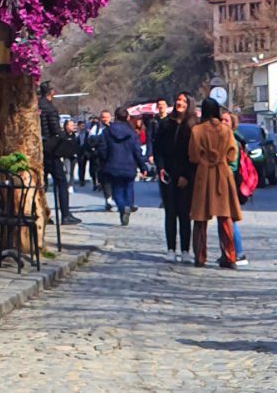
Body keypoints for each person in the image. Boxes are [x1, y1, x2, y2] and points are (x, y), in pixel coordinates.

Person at [189, 98, 241, 269]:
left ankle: (200, 257)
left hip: (204, 175)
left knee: (200, 218)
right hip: (222, 174)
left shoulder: (197, 130)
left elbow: (193, 156)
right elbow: (232, 154)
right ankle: (230, 256)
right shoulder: (226, 130)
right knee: (225, 217)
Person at [152, 92, 197, 264]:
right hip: (168, 174)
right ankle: (171, 248)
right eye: (178, 100)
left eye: (183, 101)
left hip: (186, 175)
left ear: (189, 104)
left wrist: (187, 175)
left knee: (184, 214)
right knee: (170, 212)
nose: (180, 103)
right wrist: (161, 167)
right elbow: (158, 148)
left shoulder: (193, 125)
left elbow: (194, 154)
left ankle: (185, 249)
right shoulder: (165, 124)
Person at [38, 82, 81, 225]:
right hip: (51, 149)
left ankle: (41, 212)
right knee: (61, 181)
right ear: (51, 92)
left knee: (41, 183)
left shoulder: (38, 105)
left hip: (39, 146)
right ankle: (65, 214)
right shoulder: (50, 108)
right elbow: (55, 130)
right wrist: (66, 138)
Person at [98, 107, 148, 226]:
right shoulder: (132, 133)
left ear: (115, 117)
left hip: (113, 165)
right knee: (129, 188)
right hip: (130, 165)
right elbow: (137, 151)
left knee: (116, 190)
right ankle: (128, 205)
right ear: (127, 117)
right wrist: (143, 167)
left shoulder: (107, 132)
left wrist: (104, 161)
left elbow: (102, 150)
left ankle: (122, 206)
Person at [221, 109, 248, 265]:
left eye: (226, 120)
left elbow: (232, 165)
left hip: (231, 183)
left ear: (232, 124)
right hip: (227, 182)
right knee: (225, 218)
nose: (223, 123)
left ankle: (238, 252)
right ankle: (227, 252)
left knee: (230, 218)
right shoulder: (227, 138)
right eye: (222, 120)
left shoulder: (233, 140)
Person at [89, 110, 115, 210]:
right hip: (100, 158)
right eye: (103, 117)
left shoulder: (114, 128)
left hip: (113, 157)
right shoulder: (96, 128)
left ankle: (112, 197)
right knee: (104, 179)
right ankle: (108, 199)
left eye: (107, 117)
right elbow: (90, 141)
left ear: (110, 117)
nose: (105, 119)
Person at [76, 120, 91, 186]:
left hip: (86, 152)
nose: (83, 127)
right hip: (79, 152)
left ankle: (84, 179)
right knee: (81, 166)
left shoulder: (87, 133)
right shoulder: (76, 134)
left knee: (85, 166)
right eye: (82, 126)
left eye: (84, 126)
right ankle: (81, 180)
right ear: (78, 126)